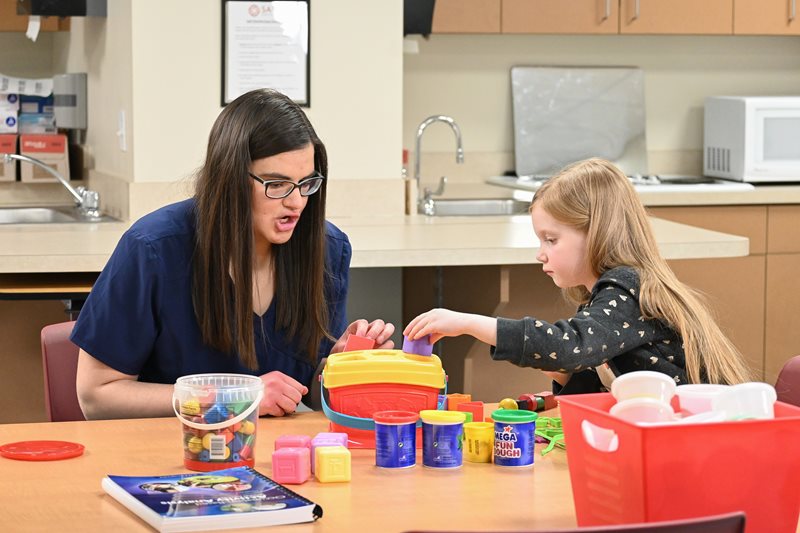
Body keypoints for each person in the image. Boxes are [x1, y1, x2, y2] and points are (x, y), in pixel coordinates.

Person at [73, 88, 394, 419]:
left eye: (306, 183)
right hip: (171, 456)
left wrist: (340, 369)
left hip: (278, 457)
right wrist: (237, 398)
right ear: (230, 179)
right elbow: (96, 396)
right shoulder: (154, 249)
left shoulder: (326, 249)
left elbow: (306, 393)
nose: (296, 203)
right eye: (276, 184)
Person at [404, 158, 750, 394]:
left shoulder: (628, 290)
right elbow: (606, 387)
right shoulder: (614, 293)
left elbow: (568, 346)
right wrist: (562, 372)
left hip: (700, 440)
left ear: (597, 232)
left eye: (551, 240)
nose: (541, 253)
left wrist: (468, 323)